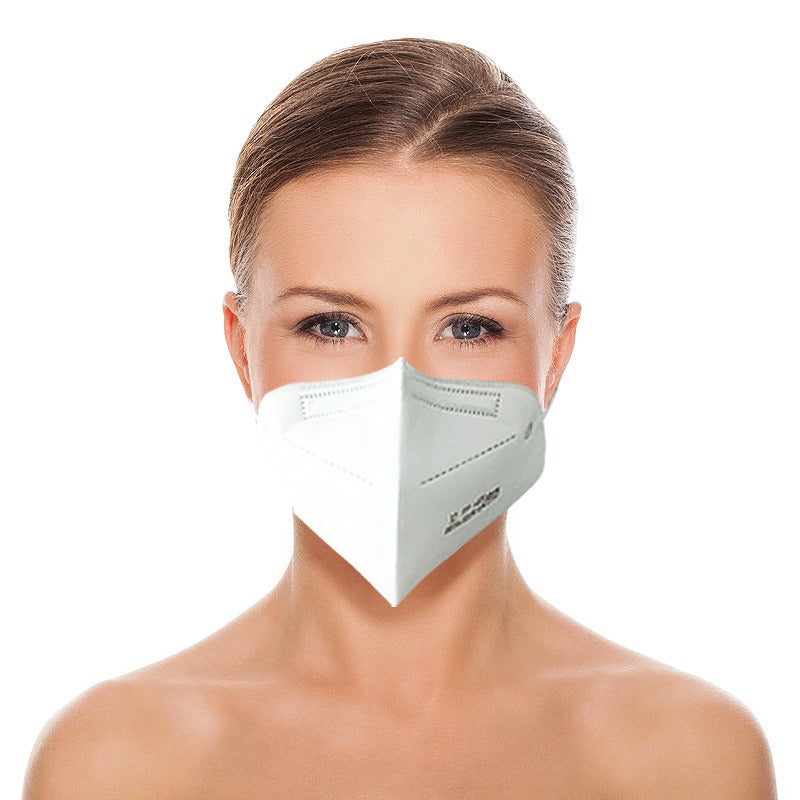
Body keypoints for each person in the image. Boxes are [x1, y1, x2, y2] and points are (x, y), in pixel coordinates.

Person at [22, 36, 777, 798]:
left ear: (556, 356)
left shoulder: (689, 760)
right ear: (242, 351)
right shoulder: (113, 766)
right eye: (332, 325)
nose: (399, 393)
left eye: (469, 327)